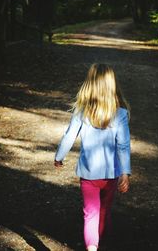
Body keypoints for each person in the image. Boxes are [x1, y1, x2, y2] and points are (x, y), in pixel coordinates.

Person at [54, 63, 131, 251]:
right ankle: (96, 242)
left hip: (88, 174)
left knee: (91, 213)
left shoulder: (82, 111)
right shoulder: (120, 113)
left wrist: (59, 156)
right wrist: (125, 172)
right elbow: (123, 145)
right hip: (111, 174)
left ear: (90, 84)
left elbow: (69, 136)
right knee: (103, 211)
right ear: (112, 85)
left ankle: (92, 247)